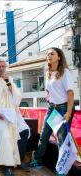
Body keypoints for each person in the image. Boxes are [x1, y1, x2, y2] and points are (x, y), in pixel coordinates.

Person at [29, 47, 75, 176]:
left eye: (52, 54)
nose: (49, 56)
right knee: (44, 136)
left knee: (61, 140)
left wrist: (68, 112)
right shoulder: (48, 71)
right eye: (47, 54)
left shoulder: (65, 72)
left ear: (59, 57)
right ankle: (37, 161)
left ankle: (61, 169)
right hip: (52, 108)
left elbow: (70, 93)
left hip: (63, 108)